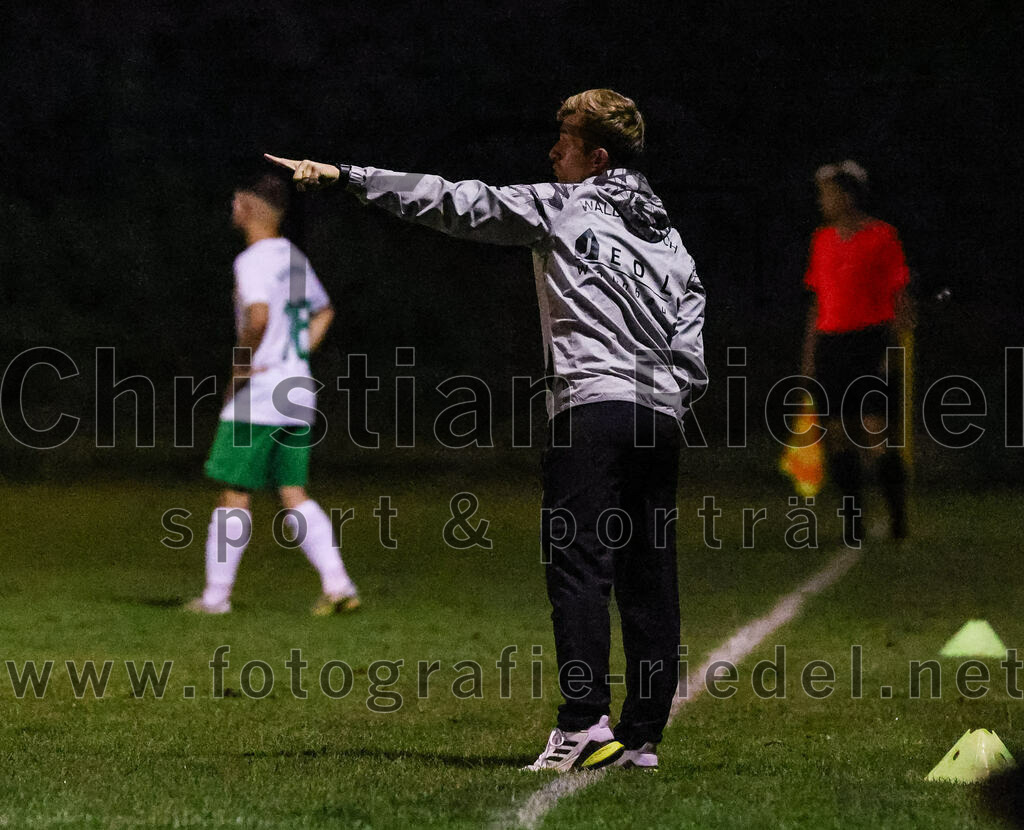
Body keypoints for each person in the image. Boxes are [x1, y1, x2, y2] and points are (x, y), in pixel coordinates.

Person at [267, 88, 707, 771]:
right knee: (649, 575)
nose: (550, 153)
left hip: (591, 407)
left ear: (594, 156)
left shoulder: (565, 205)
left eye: (562, 143)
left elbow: (453, 201)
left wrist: (348, 177)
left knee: (580, 567)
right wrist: (672, 397)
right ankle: (641, 737)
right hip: (659, 418)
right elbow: (691, 340)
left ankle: (584, 726)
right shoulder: (671, 240)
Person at [185, 174, 360, 616]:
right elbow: (324, 310)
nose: (231, 206)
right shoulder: (292, 258)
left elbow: (259, 317)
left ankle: (215, 598)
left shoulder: (254, 260)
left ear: (247, 205)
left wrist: (241, 366)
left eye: (235, 199)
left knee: (234, 490)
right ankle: (338, 585)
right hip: (297, 387)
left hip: (261, 390)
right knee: (292, 491)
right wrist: (296, 355)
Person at [800, 160, 912, 544]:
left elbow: (900, 296)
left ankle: (897, 518)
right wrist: (810, 354)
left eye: (829, 192)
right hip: (832, 343)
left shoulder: (883, 236)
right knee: (835, 434)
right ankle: (853, 521)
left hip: (870, 340)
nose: (823, 200)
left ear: (848, 196)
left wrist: (895, 346)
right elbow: (817, 302)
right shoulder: (822, 239)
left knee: (874, 431)